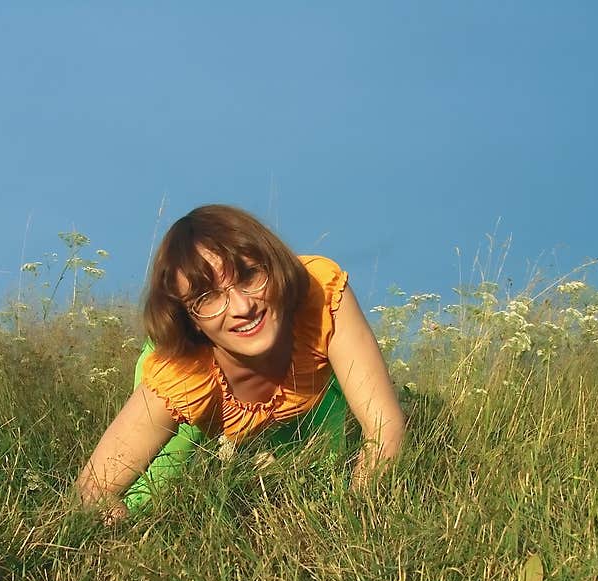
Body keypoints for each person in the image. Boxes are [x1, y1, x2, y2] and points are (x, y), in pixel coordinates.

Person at [76, 204, 406, 523]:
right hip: (198, 383)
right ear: (189, 319)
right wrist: (122, 529)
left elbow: (384, 429)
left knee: (320, 491)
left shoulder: (320, 296)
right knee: (151, 499)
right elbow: (92, 489)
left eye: (249, 276)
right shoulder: (180, 378)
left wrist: (353, 525)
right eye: (207, 297)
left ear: (274, 265)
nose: (242, 307)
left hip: (310, 389)